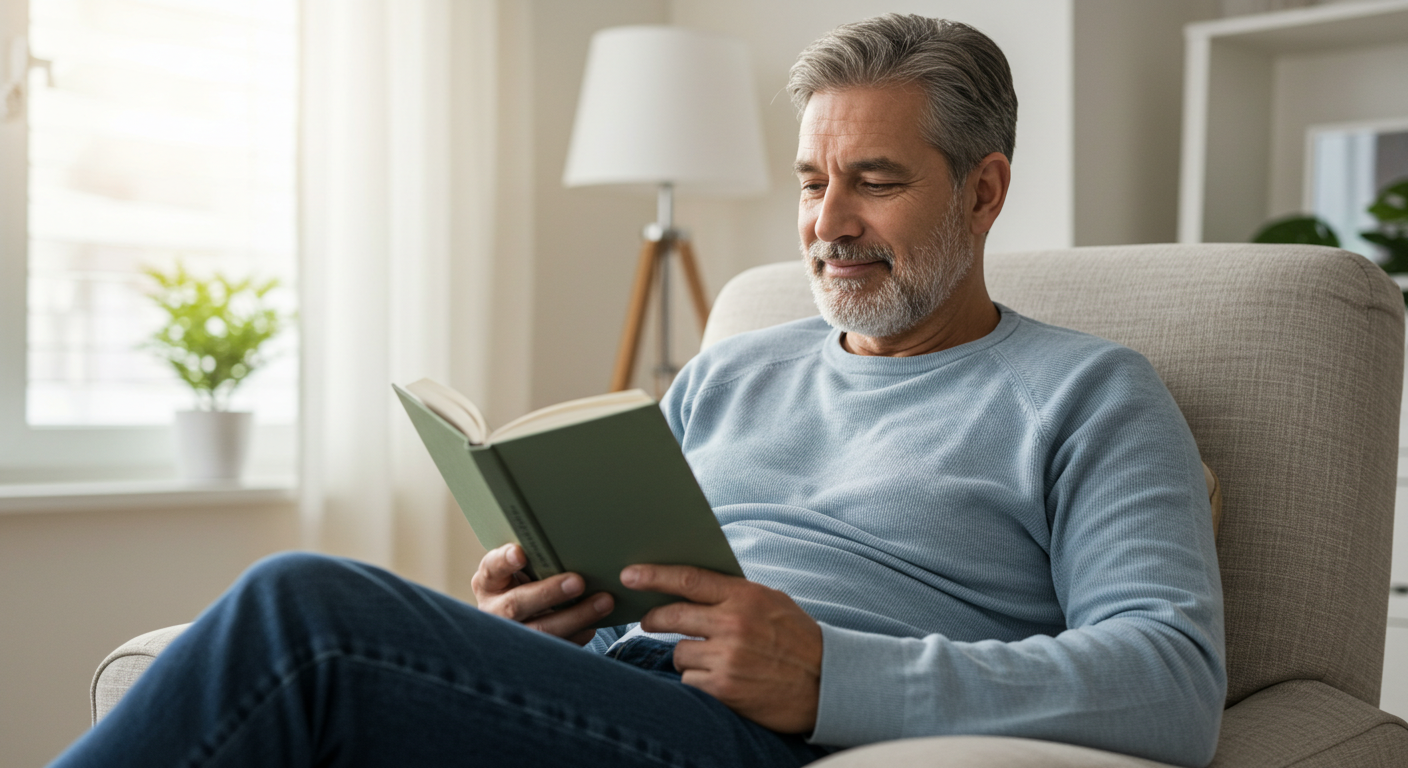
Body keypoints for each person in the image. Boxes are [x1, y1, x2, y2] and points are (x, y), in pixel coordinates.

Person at [50, 14, 1224, 768]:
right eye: (810, 182)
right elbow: (632, 585)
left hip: (743, 734)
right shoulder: (732, 369)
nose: (826, 223)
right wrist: (537, 614)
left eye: (873, 181)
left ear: (983, 191)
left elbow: (1171, 679)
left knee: (301, 611)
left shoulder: (1088, 394)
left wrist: (830, 674)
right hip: (606, 689)